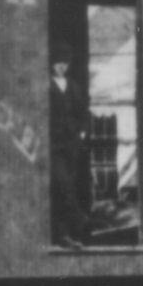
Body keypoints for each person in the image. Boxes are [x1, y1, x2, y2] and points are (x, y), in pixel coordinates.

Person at [48, 45, 92, 247]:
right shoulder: (46, 85)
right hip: (53, 144)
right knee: (62, 184)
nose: (61, 67)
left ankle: (65, 234)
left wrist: (82, 132)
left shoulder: (73, 86)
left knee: (68, 187)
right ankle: (78, 220)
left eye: (65, 64)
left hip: (71, 144)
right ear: (52, 63)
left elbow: (83, 112)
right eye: (58, 63)